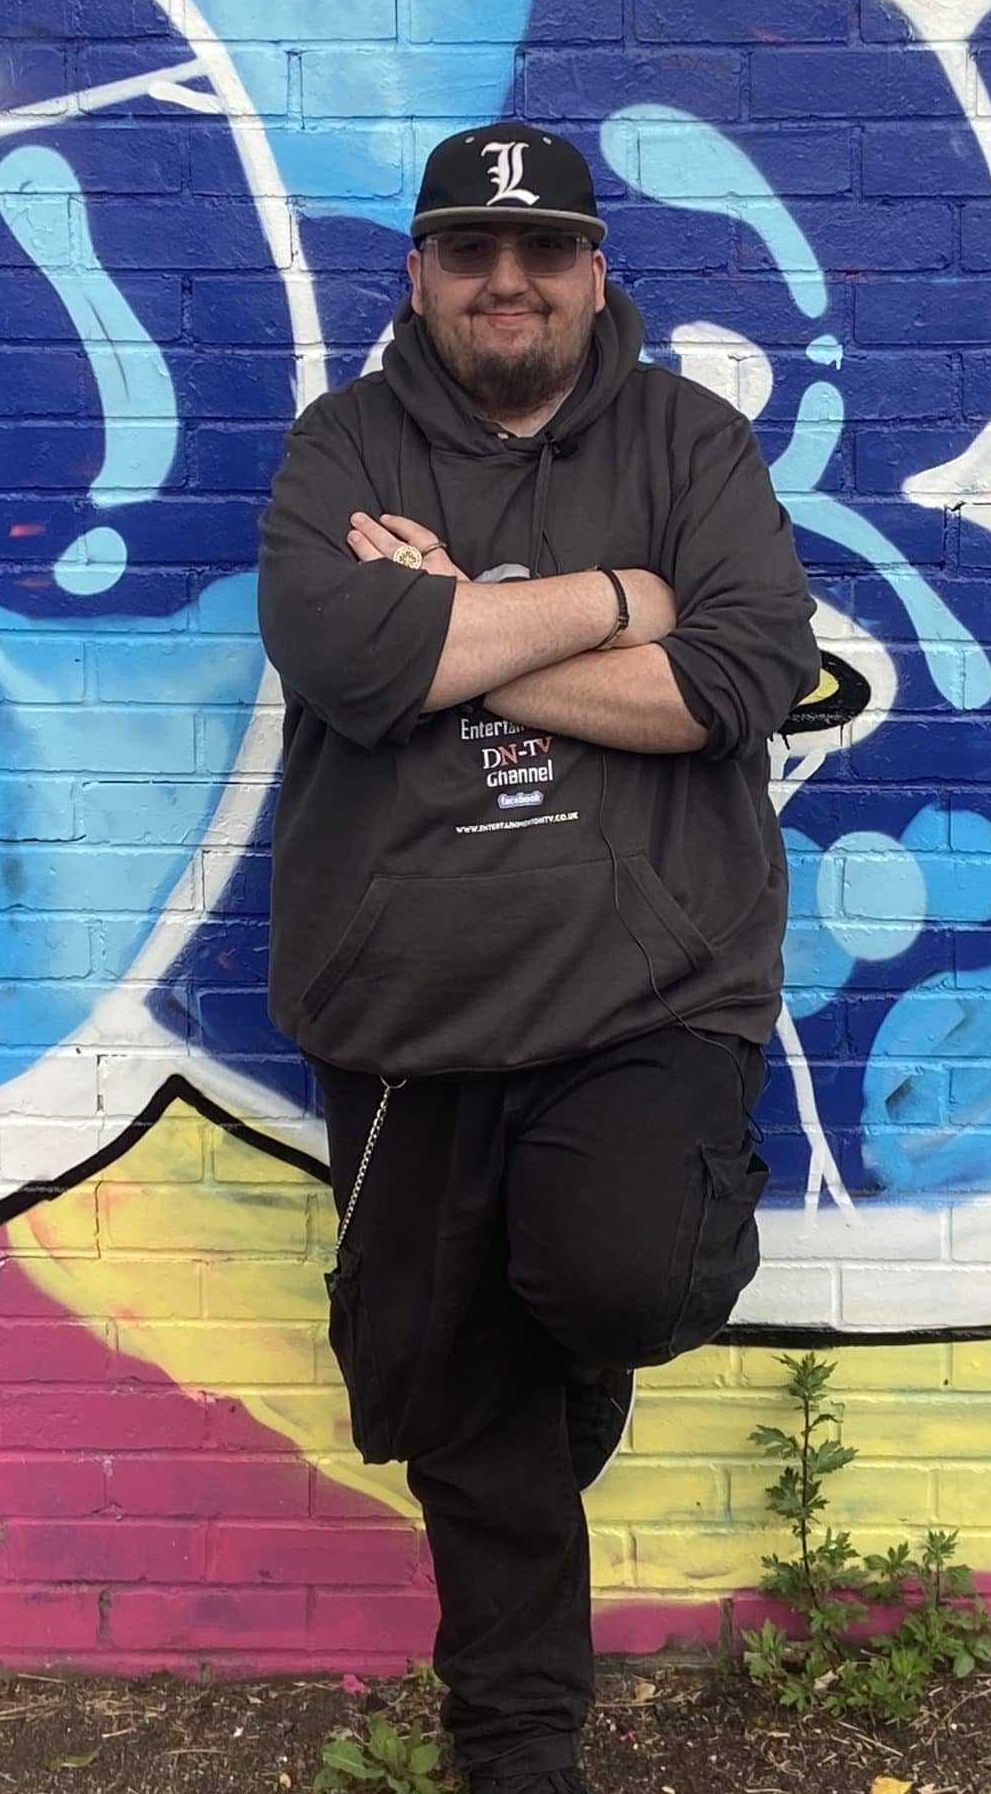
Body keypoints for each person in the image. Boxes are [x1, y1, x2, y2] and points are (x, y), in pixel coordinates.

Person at [255, 120, 820, 1794]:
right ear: (420, 274)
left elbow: (734, 688)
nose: (509, 281)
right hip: (404, 1007)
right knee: (458, 1410)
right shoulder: (339, 449)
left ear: (594, 273)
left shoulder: (690, 442)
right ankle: (517, 1750)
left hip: (648, 987)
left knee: (615, 1280)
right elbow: (349, 661)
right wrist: (621, 602)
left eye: (544, 251)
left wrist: (471, 634)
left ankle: (582, 1331)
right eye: (470, 252)